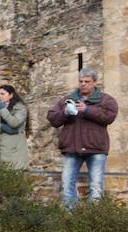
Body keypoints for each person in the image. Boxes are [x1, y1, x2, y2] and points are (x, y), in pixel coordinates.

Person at [46, 69, 119, 208]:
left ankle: (93, 219)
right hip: (72, 148)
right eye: (81, 82)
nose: (83, 84)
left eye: (87, 82)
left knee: (96, 186)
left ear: (94, 82)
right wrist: (65, 112)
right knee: (67, 183)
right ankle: (70, 217)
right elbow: (53, 119)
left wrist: (87, 110)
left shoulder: (105, 99)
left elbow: (109, 116)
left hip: (96, 148)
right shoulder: (68, 99)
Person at [0, 85, 30, 169]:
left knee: (14, 179)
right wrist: (0, 127)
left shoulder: (20, 108)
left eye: (2, 94)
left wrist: (2, 109)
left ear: (11, 95)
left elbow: (14, 123)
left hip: (14, 152)